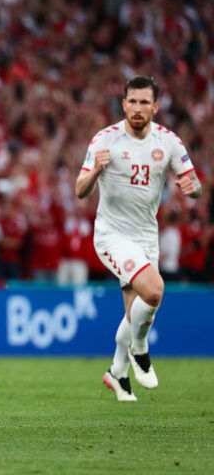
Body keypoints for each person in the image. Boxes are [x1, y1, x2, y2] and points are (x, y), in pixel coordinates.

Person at [75, 75, 202, 402]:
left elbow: (194, 183)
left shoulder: (169, 142)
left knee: (137, 313)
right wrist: (95, 172)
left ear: (155, 107)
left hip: (146, 235)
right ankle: (140, 350)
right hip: (112, 235)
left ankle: (117, 372)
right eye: (132, 101)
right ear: (124, 104)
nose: (137, 108)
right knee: (155, 290)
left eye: (145, 102)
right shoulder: (105, 140)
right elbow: (79, 190)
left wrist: (194, 188)